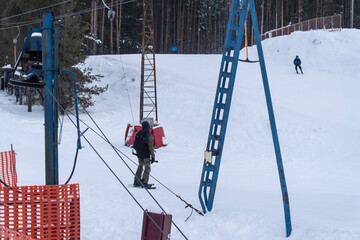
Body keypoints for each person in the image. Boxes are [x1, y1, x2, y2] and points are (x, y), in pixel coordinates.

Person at [133, 121, 156, 188]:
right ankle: (144, 182)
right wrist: (153, 156)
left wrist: (138, 152)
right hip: (146, 155)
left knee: (140, 166)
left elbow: (135, 144)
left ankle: (136, 182)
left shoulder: (138, 133)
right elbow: (151, 147)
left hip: (139, 154)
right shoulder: (149, 135)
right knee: (147, 168)